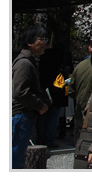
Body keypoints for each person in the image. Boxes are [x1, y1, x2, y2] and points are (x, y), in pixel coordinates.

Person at [12, 26, 50, 169]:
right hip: (21, 115)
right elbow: (20, 92)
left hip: (24, 115)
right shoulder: (24, 63)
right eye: (41, 39)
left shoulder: (29, 61)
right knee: (14, 159)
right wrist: (40, 105)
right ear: (30, 42)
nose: (45, 43)